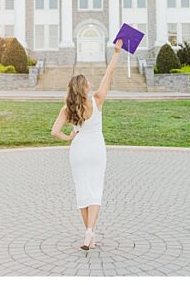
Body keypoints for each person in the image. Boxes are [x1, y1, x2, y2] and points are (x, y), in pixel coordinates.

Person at [51, 39, 123, 250]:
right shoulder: (96, 100)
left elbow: (54, 131)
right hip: (96, 150)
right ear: (85, 87)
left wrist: (69, 138)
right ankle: (90, 231)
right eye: (88, 82)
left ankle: (88, 234)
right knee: (95, 190)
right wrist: (117, 53)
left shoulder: (68, 108)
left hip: (79, 150)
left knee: (82, 191)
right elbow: (108, 75)